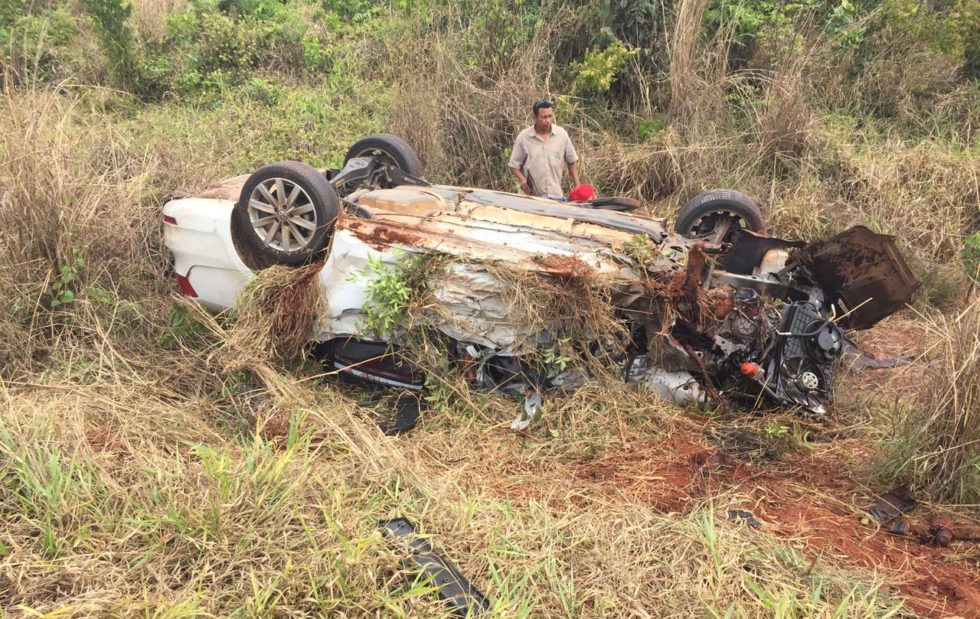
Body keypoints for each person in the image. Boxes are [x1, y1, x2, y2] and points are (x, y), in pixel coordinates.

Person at [507, 99, 581, 197]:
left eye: (550, 116)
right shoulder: (524, 137)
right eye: (544, 117)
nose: (548, 121)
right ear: (535, 117)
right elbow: (514, 165)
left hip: (555, 196)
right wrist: (522, 181)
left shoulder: (561, 135)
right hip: (530, 198)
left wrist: (577, 185)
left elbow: (571, 161)